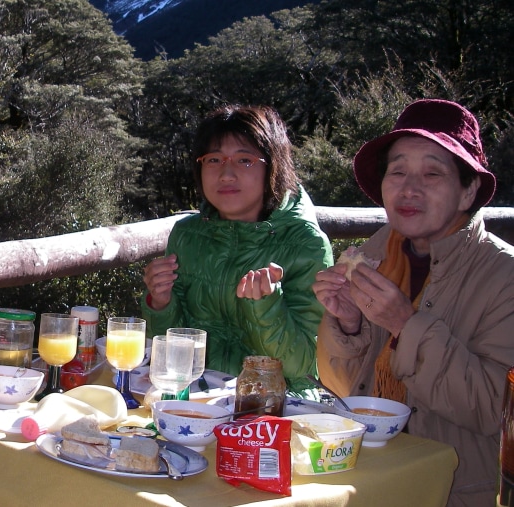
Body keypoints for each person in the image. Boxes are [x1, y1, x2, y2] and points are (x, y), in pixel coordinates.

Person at [313, 98, 514, 506]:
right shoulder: (375, 255)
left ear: (468, 191)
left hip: (452, 489)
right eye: (398, 170)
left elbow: (497, 410)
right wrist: (349, 326)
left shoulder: (503, 275)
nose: (409, 188)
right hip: (370, 479)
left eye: (433, 173)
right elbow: (343, 388)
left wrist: (406, 325)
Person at [142, 105, 333, 394]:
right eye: (214, 159)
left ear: (273, 166)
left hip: (275, 410)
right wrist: (161, 303)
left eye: (244, 160)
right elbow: (171, 355)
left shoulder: (306, 244)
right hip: (199, 401)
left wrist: (265, 307)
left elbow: (303, 368)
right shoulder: (187, 234)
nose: (226, 174)